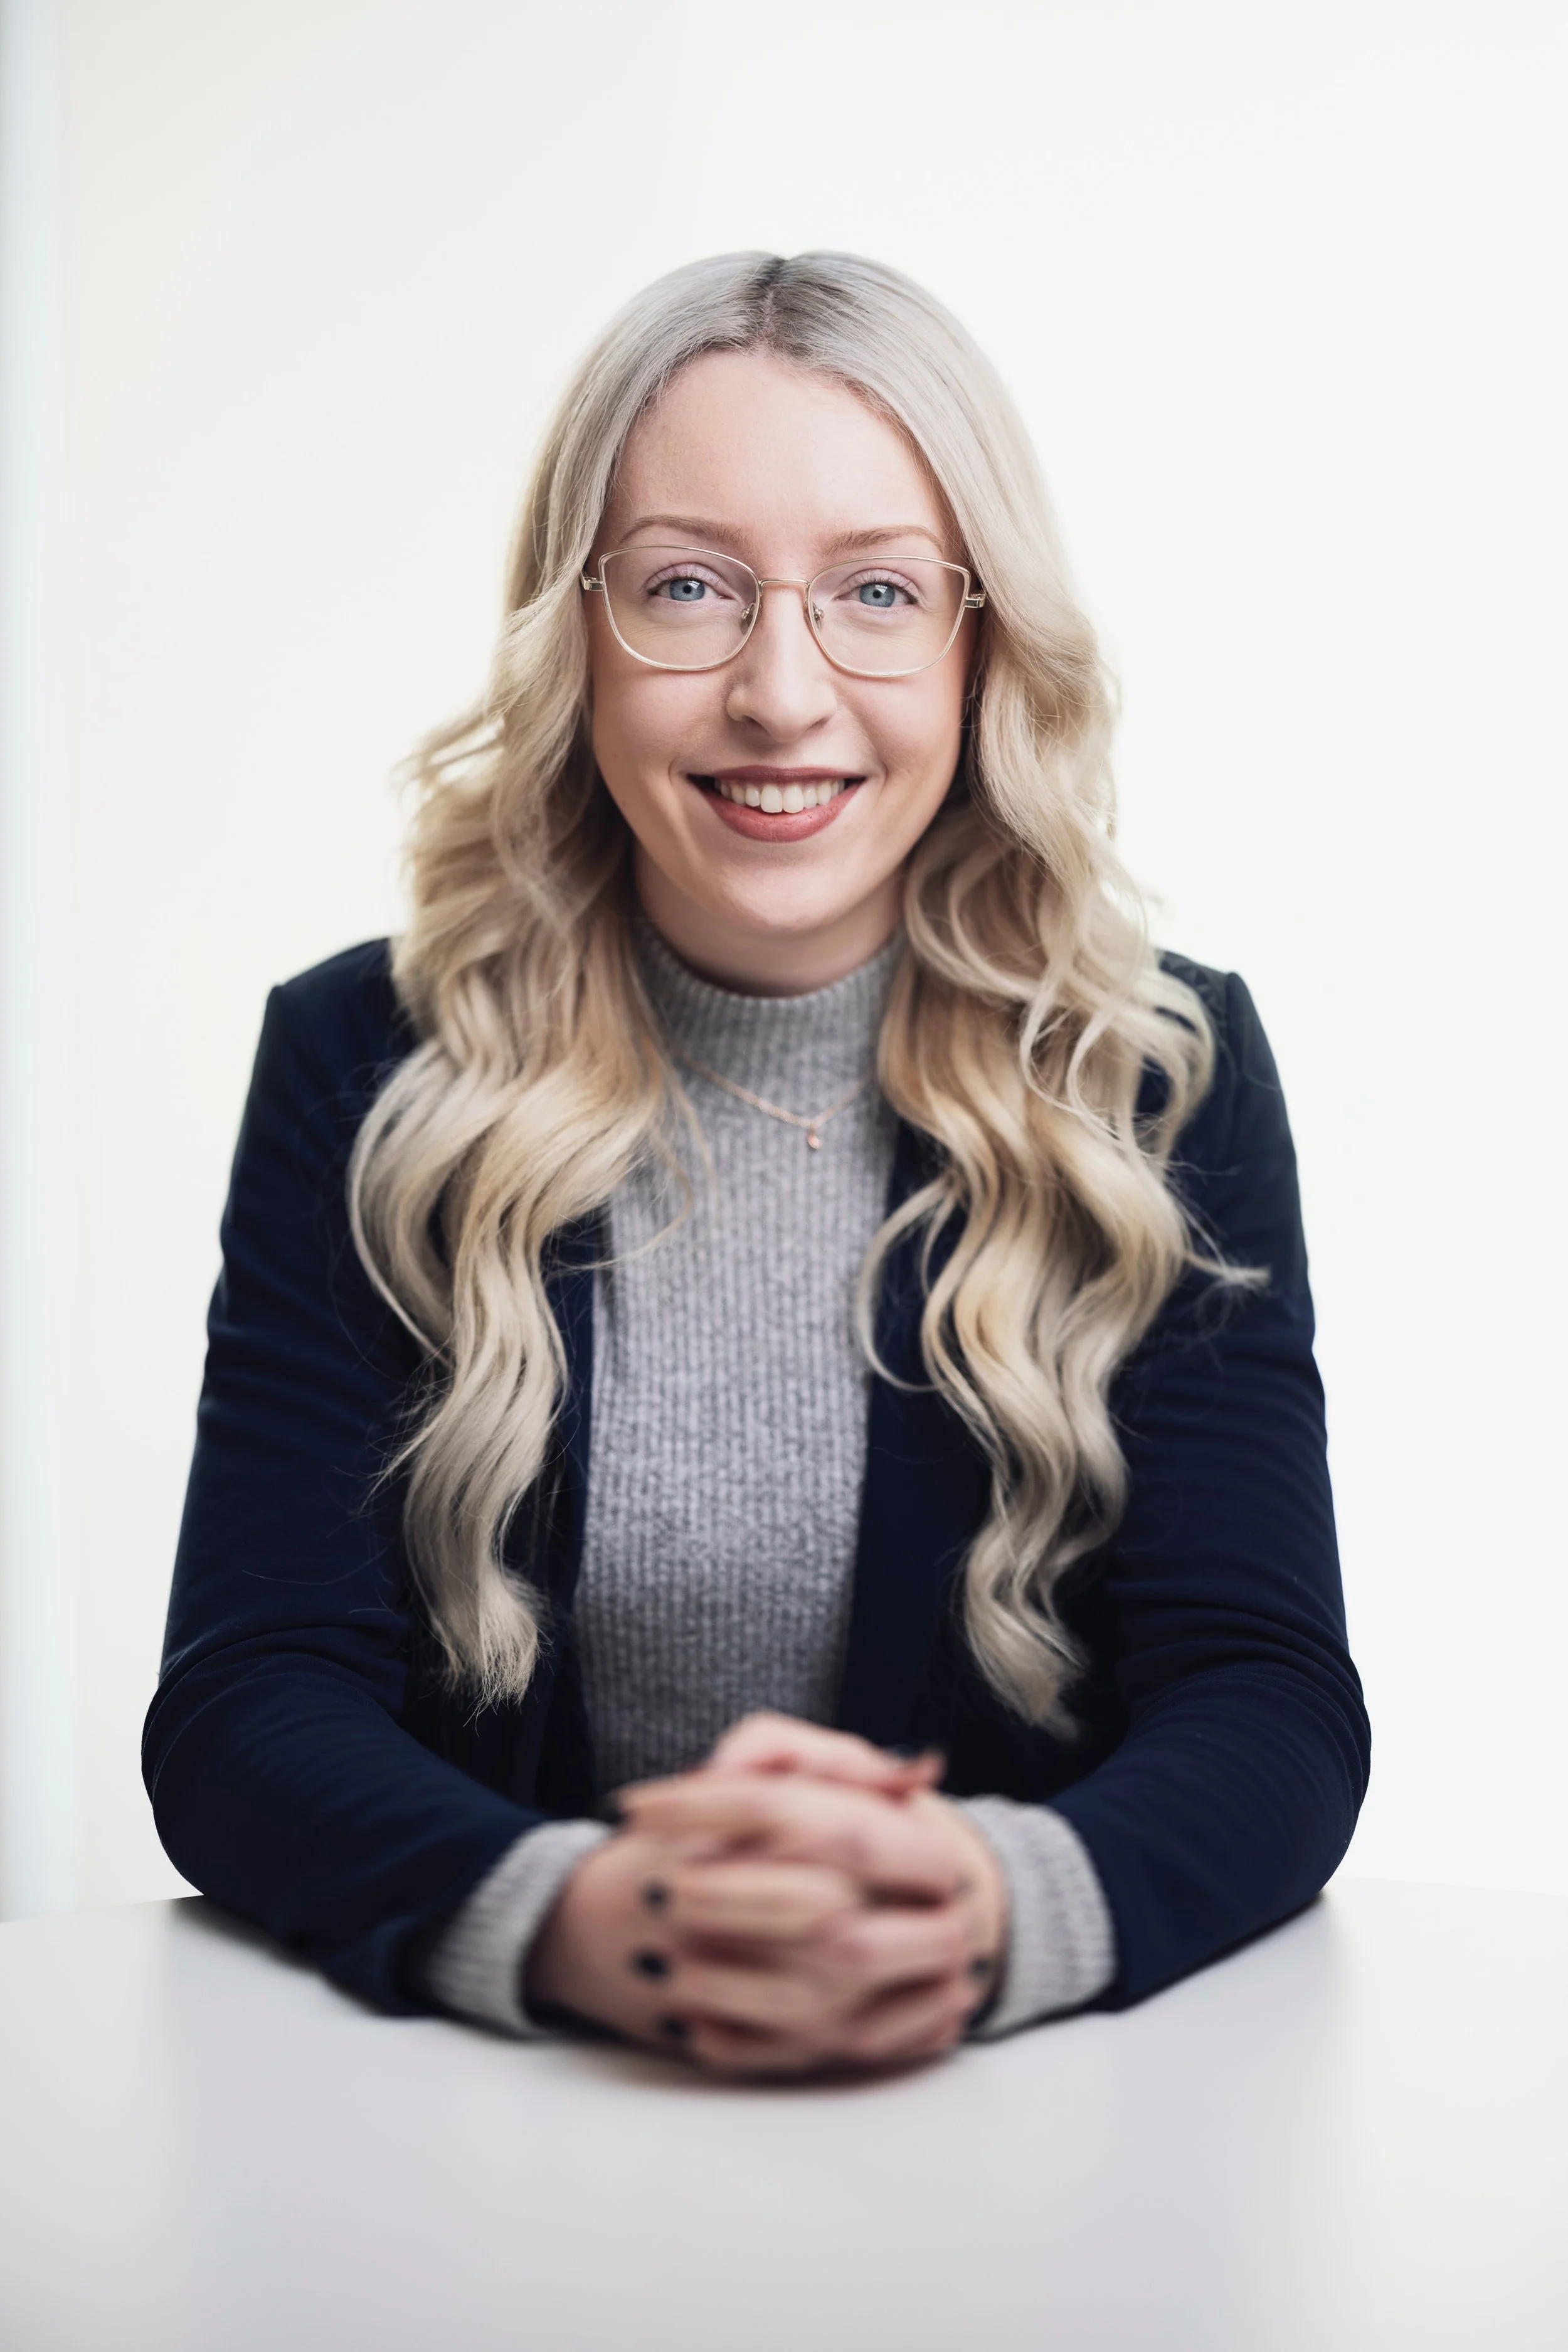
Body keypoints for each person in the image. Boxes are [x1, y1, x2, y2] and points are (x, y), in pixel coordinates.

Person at [144, 250, 1369, 2078]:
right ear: (575, 625)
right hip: (495, 2128)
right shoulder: (366, 1062)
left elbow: (1265, 1698)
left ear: (979, 640)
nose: (779, 693)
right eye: (689, 589)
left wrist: (979, 1905)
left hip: (1018, 2128)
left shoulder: (1150, 1076)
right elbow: (249, 1701)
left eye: (876, 590)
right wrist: (578, 1921)